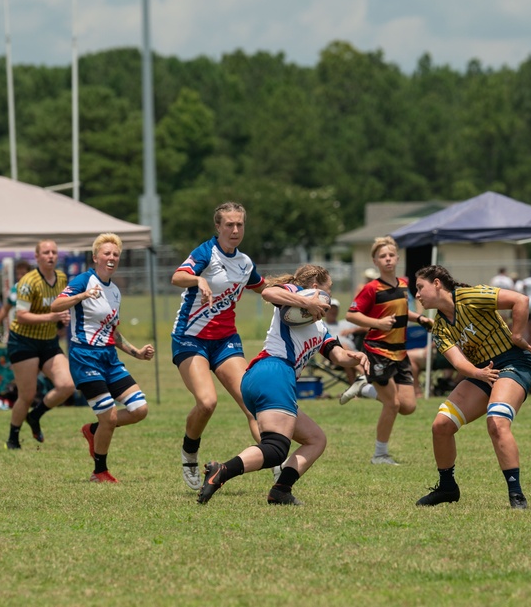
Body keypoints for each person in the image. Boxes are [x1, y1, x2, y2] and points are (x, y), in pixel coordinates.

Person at [196, 265, 369, 506]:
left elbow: (337, 355)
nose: (329, 301)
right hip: (275, 371)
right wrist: (305, 301)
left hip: (262, 377)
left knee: (315, 439)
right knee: (276, 449)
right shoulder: (295, 295)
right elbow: (268, 293)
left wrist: (356, 356)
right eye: (328, 291)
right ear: (316, 288)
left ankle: (281, 490)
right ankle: (222, 470)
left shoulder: (319, 327)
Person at [411, 265, 531, 510]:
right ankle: (447, 487)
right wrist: (478, 373)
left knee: (497, 421)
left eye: (419, 288)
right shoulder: (439, 327)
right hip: (482, 370)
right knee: (441, 425)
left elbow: (521, 300)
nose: (417, 295)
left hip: (513, 362)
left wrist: (517, 335)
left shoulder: (470, 296)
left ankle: (516, 495)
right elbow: (458, 362)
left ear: (437, 284)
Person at [171, 201, 266, 491]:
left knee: (252, 405)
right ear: (218, 227)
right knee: (208, 402)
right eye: (229, 224)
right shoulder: (205, 253)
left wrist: (296, 291)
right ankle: (189, 454)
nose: (235, 229)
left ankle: (276, 462)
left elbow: (262, 287)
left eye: (239, 224)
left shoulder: (244, 262)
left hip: (225, 341)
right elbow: (177, 277)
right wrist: (198, 278)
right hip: (191, 338)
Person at [51, 233, 155, 483]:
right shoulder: (84, 280)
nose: (111, 258)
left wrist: (137, 353)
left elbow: (113, 332)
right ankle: (99, 471)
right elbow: (56, 306)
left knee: (140, 409)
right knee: (108, 415)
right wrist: (82, 296)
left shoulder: (115, 291)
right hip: (84, 357)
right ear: (96, 257)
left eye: (116, 254)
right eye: (107, 253)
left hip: (108, 357)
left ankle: (94, 430)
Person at [339, 236, 433, 464]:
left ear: (398, 258)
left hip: (401, 353)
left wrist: (419, 318)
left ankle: (365, 388)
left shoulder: (402, 284)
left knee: (408, 406)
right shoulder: (371, 288)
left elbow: (401, 313)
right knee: (392, 404)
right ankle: (380, 455)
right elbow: (351, 315)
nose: (388, 259)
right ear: (375, 261)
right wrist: (378, 323)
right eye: (383, 256)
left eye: (391, 255)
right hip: (377, 350)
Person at [4, 240, 75, 450]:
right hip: (23, 341)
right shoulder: (28, 281)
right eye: (46, 252)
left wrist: (63, 320)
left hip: (49, 341)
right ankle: (13, 438)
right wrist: (52, 317)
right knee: (26, 395)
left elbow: (63, 305)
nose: (51, 256)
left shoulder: (62, 278)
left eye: (54, 252)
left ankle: (35, 416)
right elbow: (21, 316)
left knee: (67, 385)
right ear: (37, 257)